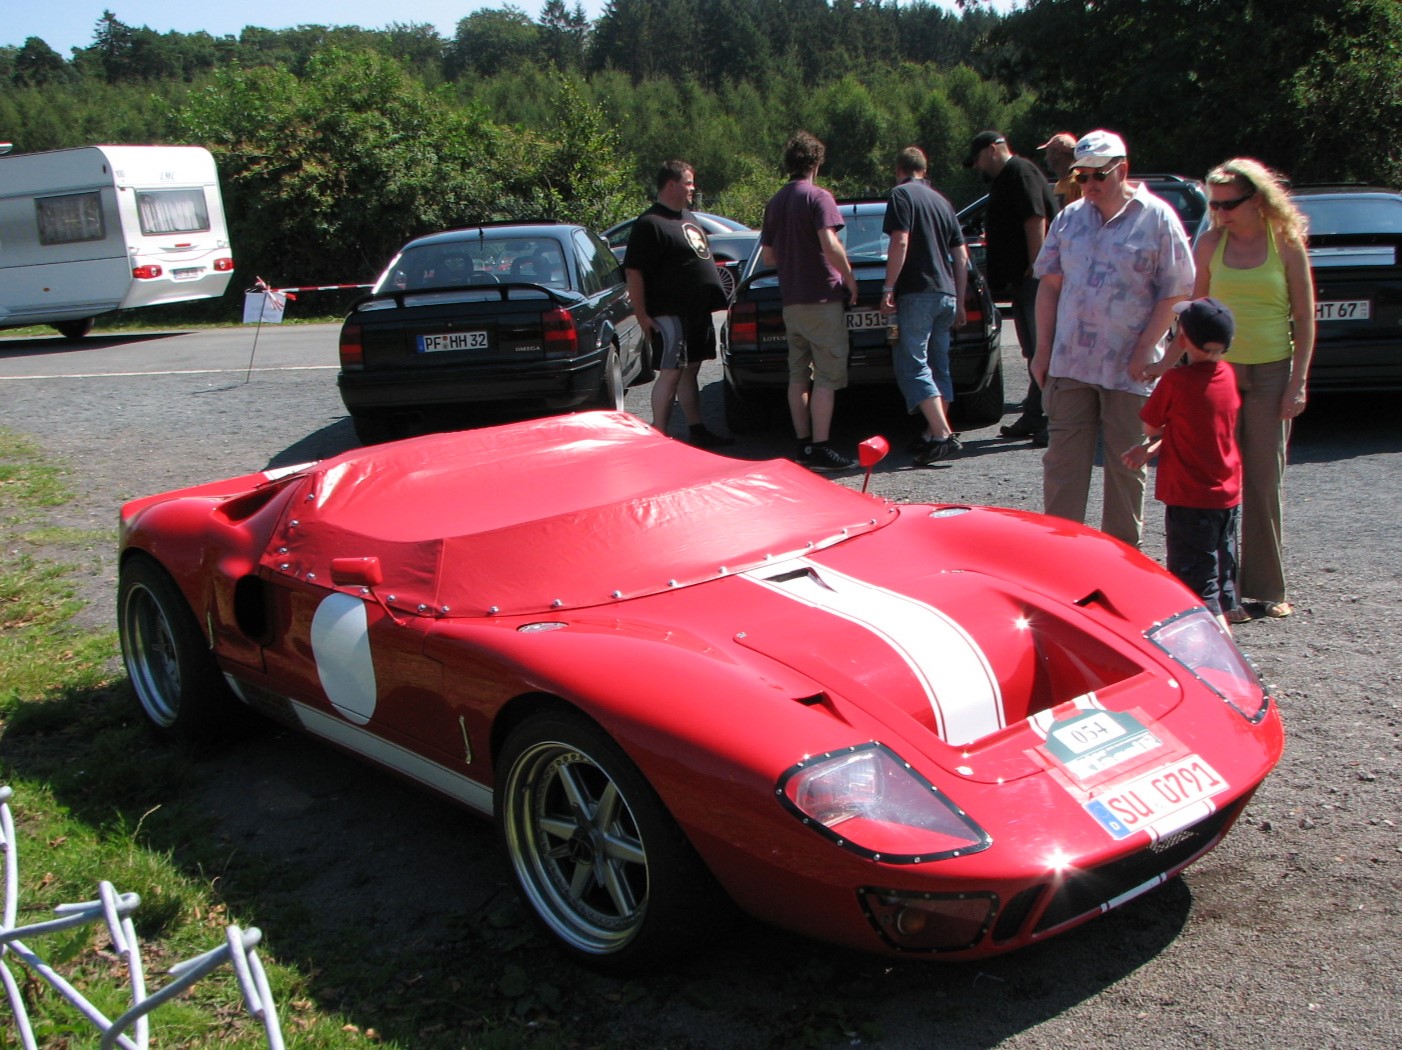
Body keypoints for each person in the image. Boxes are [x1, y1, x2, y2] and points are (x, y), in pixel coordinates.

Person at [1032, 129, 1196, 549]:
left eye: (1097, 176)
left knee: (1126, 467)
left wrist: (1146, 349)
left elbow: (1176, 291)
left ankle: (1122, 561)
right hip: (1070, 363)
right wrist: (1042, 350)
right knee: (1063, 466)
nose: (1088, 185)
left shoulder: (1158, 218)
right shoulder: (1070, 218)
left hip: (1129, 367)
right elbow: (1049, 286)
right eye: (1081, 176)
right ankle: (1060, 558)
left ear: (1122, 170)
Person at [1185, 159, 1314, 622]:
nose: (1218, 212)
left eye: (1228, 204)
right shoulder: (1209, 243)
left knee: (1263, 479)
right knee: (1217, 483)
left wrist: (1297, 383)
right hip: (1220, 375)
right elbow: (1194, 316)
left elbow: (1304, 317)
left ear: (1256, 200)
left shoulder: (1285, 244)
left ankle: (1266, 586)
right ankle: (1220, 592)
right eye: (1213, 204)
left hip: (1273, 370)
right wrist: (1185, 377)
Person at [1123, 298, 1242, 631]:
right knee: (1218, 575)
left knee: (1197, 590)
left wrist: (1150, 443)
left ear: (1184, 338)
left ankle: (1224, 666)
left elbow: (1150, 426)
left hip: (1190, 499)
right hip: (1226, 497)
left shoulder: (1177, 382)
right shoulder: (1228, 376)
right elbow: (1193, 428)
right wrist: (1153, 449)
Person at [759, 131, 860, 472]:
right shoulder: (818, 197)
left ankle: (803, 444)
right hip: (821, 298)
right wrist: (848, 277)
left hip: (792, 301)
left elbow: (769, 257)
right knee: (828, 377)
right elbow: (830, 243)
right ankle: (821, 445)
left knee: (797, 374)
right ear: (816, 162)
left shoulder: (775, 202)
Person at [623, 159, 733, 448]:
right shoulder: (649, 224)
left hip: (696, 311)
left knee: (690, 369)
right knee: (671, 371)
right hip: (670, 312)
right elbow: (634, 271)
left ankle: (696, 429)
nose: (692, 189)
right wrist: (642, 314)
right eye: (688, 183)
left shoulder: (687, 217)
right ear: (671, 184)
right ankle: (658, 437)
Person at [965, 130, 1057, 446]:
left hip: (1034, 278)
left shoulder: (1019, 171)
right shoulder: (1010, 175)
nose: (978, 167)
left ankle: (1054, 421)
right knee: (1033, 350)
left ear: (993, 149)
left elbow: (1035, 217)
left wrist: (1038, 262)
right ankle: (1035, 414)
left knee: (1043, 349)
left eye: (978, 159)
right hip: (1022, 278)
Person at [880, 146, 968, 465]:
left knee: (913, 363)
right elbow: (961, 256)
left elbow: (900, 240)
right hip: (946, 293)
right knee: (938, 365)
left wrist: (889, 287)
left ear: (898, 169)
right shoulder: (943, 202)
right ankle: (933, 436)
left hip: (917, 291)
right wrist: (959, 300)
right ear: (924, 169)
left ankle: (942, 434)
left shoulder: (901, 195)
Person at [1038, 132, 1081, 209]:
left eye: (1048, 153)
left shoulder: (1078, 183)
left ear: (1057, 154)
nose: (1046, 158)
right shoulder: (1058, 184)